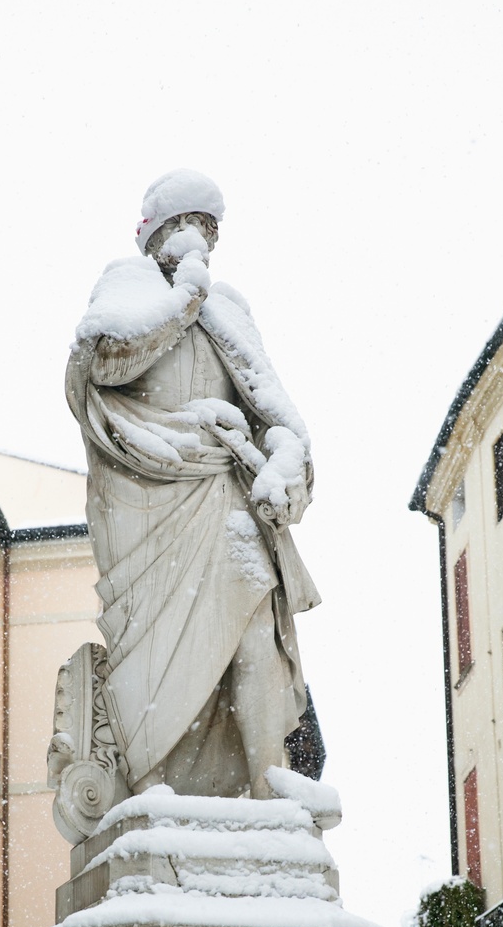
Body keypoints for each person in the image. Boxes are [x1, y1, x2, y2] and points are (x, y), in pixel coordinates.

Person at [65, 169, 319, 800]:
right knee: (154, 659)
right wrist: (181, 303)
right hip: (148, 511)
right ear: (153, 234)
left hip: (228, 498)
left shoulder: (231, 310)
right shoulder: (126, 287)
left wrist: (286, 464)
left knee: (257, 632)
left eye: (209, 230)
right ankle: (147, 786)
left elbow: (280, 417)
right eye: (186, 227)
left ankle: (268, 781)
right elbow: (100, 362)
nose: (199, 241)